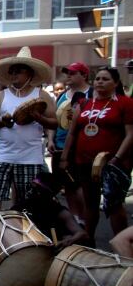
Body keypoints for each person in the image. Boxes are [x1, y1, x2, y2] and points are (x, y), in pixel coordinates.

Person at [60, 66, 133, 243]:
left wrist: (117, 159)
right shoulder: (85, 103)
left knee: (114, 205)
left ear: (115, 83)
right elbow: (72, 132)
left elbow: (131, 134)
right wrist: (65, 156)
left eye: (105, 79)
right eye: (98, 78)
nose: (100, 81)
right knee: (90, 203)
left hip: (114, 164)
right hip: (84, 162)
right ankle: (88, 241)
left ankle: (121, 246)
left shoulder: (124, 103)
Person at [0, 46, 58, 211]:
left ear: (29, 74)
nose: (14, 74)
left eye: (19, 71)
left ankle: (21, 232)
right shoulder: (1, 95)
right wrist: (2, 122)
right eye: (12, 71)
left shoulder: (41, 95)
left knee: (26, 202)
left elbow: (54, 123)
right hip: (3, 155)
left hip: (30, 158)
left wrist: (38, 117)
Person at [48, 62, 92, 223]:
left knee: (79, 185)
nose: (68, 76)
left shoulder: (91, 94)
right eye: (67, 73)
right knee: (67, 186)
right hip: (59, 146)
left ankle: (86, 219)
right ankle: (75, 219)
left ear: (84, 75)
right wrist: (51, 139)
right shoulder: (62, 96)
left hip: (81, 148)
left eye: (73, 73)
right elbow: (55, 120)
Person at [11, 172, 89, 250]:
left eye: (37, 187)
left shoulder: (57, 210)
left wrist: (68, 241)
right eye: (32, 185)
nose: (31, 190)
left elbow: (81, 233)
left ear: (47, 193)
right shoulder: (20, 207)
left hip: (49, 251)